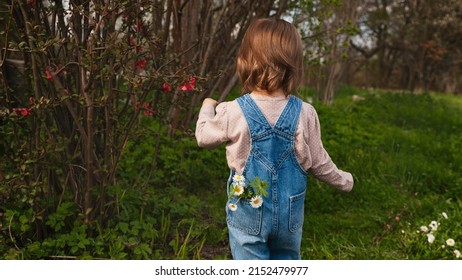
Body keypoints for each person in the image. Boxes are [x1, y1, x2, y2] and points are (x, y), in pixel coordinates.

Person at [195, 17, 353, 260]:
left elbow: (203, 137)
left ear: (246, 61)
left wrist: (207, 108)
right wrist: (344, 180)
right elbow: (319, 162)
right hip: (290, 219)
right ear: (294, 64)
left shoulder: (233, 111)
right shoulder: (305, 112)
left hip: (248, 216)